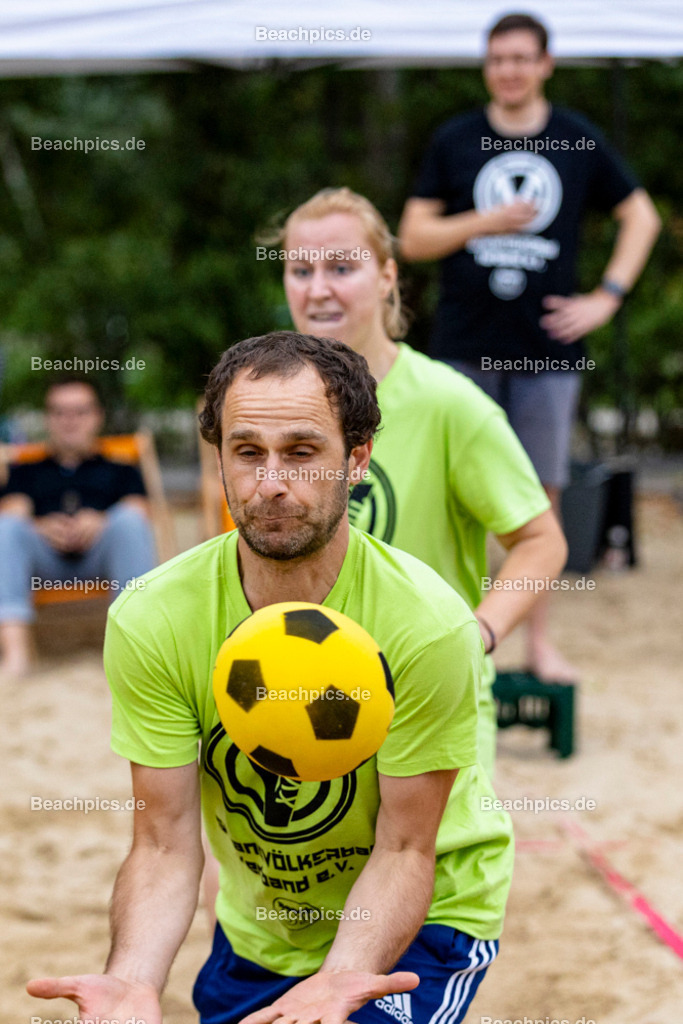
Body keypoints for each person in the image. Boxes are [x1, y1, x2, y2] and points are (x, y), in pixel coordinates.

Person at [28, 332, 514, 1024]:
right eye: (247, 452)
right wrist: (133, 979)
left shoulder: (429, 626)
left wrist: (341, 975)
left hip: (427, 916)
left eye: (302, 452)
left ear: (356, 460)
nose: (272, 483)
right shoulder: (153, 617)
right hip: (263, 922)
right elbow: (164, 840)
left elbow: (406, 847)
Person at [398, 12, 661, 681]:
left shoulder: (575, 139)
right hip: (461, 347)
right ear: (485, 65)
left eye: (520, 58)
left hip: (545, 352)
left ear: (545, 64)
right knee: (450, 493)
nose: (508, 70)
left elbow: (641, 215)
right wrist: (486, 220)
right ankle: (444, 636)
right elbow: (412, 238)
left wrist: (606, 297)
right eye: (496, 59)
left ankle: (536, 644)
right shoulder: (455, 140)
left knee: (534, 503)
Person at [278, 186, 567, 774]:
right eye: (300, 269)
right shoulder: (270, 403)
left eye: (341, 267)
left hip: (426, 707)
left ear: (387, 276)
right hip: (298, 700)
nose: (318, 288)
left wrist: (478, 634)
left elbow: (543, 541)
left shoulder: (447, 403)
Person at [0, 377, 156, 678]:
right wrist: (40, 525)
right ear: (48, 418)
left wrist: (101, 520)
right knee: (7, 527)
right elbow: (13, 511)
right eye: (60, 412)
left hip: (101, 556)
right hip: (44, 561)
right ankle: (15, 652)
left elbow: (139, 509)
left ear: (97, 416)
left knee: (129, 522)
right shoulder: (26, 470)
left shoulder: (121, 469)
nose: (69, 421)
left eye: (79, 412)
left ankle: (135, 649)